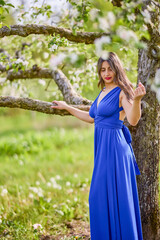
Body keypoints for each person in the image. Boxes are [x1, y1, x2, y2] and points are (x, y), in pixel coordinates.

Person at [51, 52, 146, 239]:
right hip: (103, 149)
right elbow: (92, 118)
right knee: (99, 197)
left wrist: (137, 100)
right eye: (103, 69)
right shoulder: (102, 92)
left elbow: (133, 120)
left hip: (116, 150)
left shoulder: (122, 91)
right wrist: (68, 107)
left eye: (110, 68)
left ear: (116, 68)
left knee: (111, 197)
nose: (107, 73)